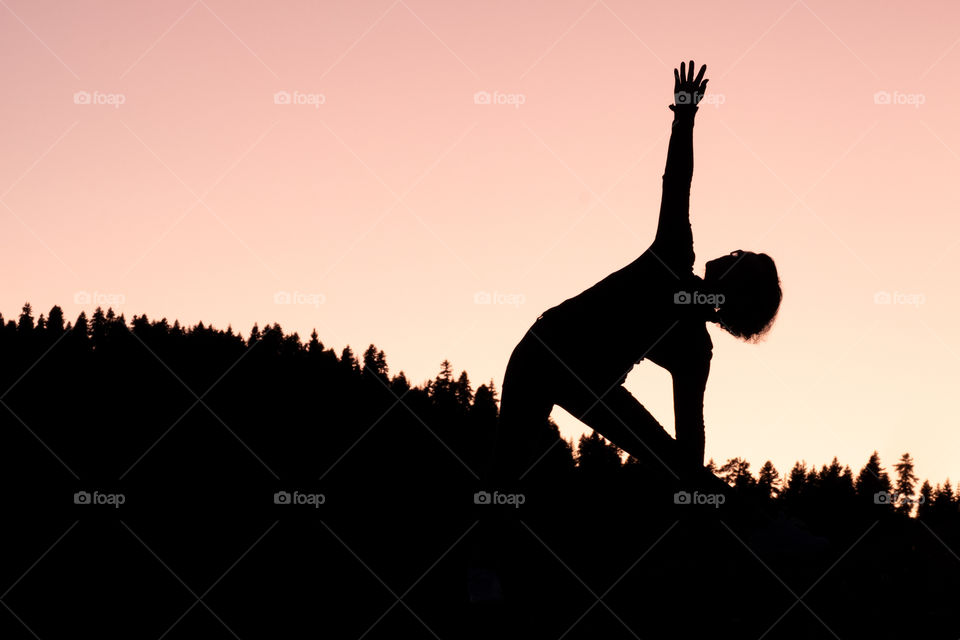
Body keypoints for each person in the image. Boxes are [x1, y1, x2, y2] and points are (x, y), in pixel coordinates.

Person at [493, 61, 783, 486]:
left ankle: (748, 528)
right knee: (502, 481)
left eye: (739, 258)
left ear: (734, 287)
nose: (732, 252)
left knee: (503, 481)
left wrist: (685, 119)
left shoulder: (675, 263)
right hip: (548, 357)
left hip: (561, 363)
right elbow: (689, 443)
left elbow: (677, 183)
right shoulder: (693, 342)